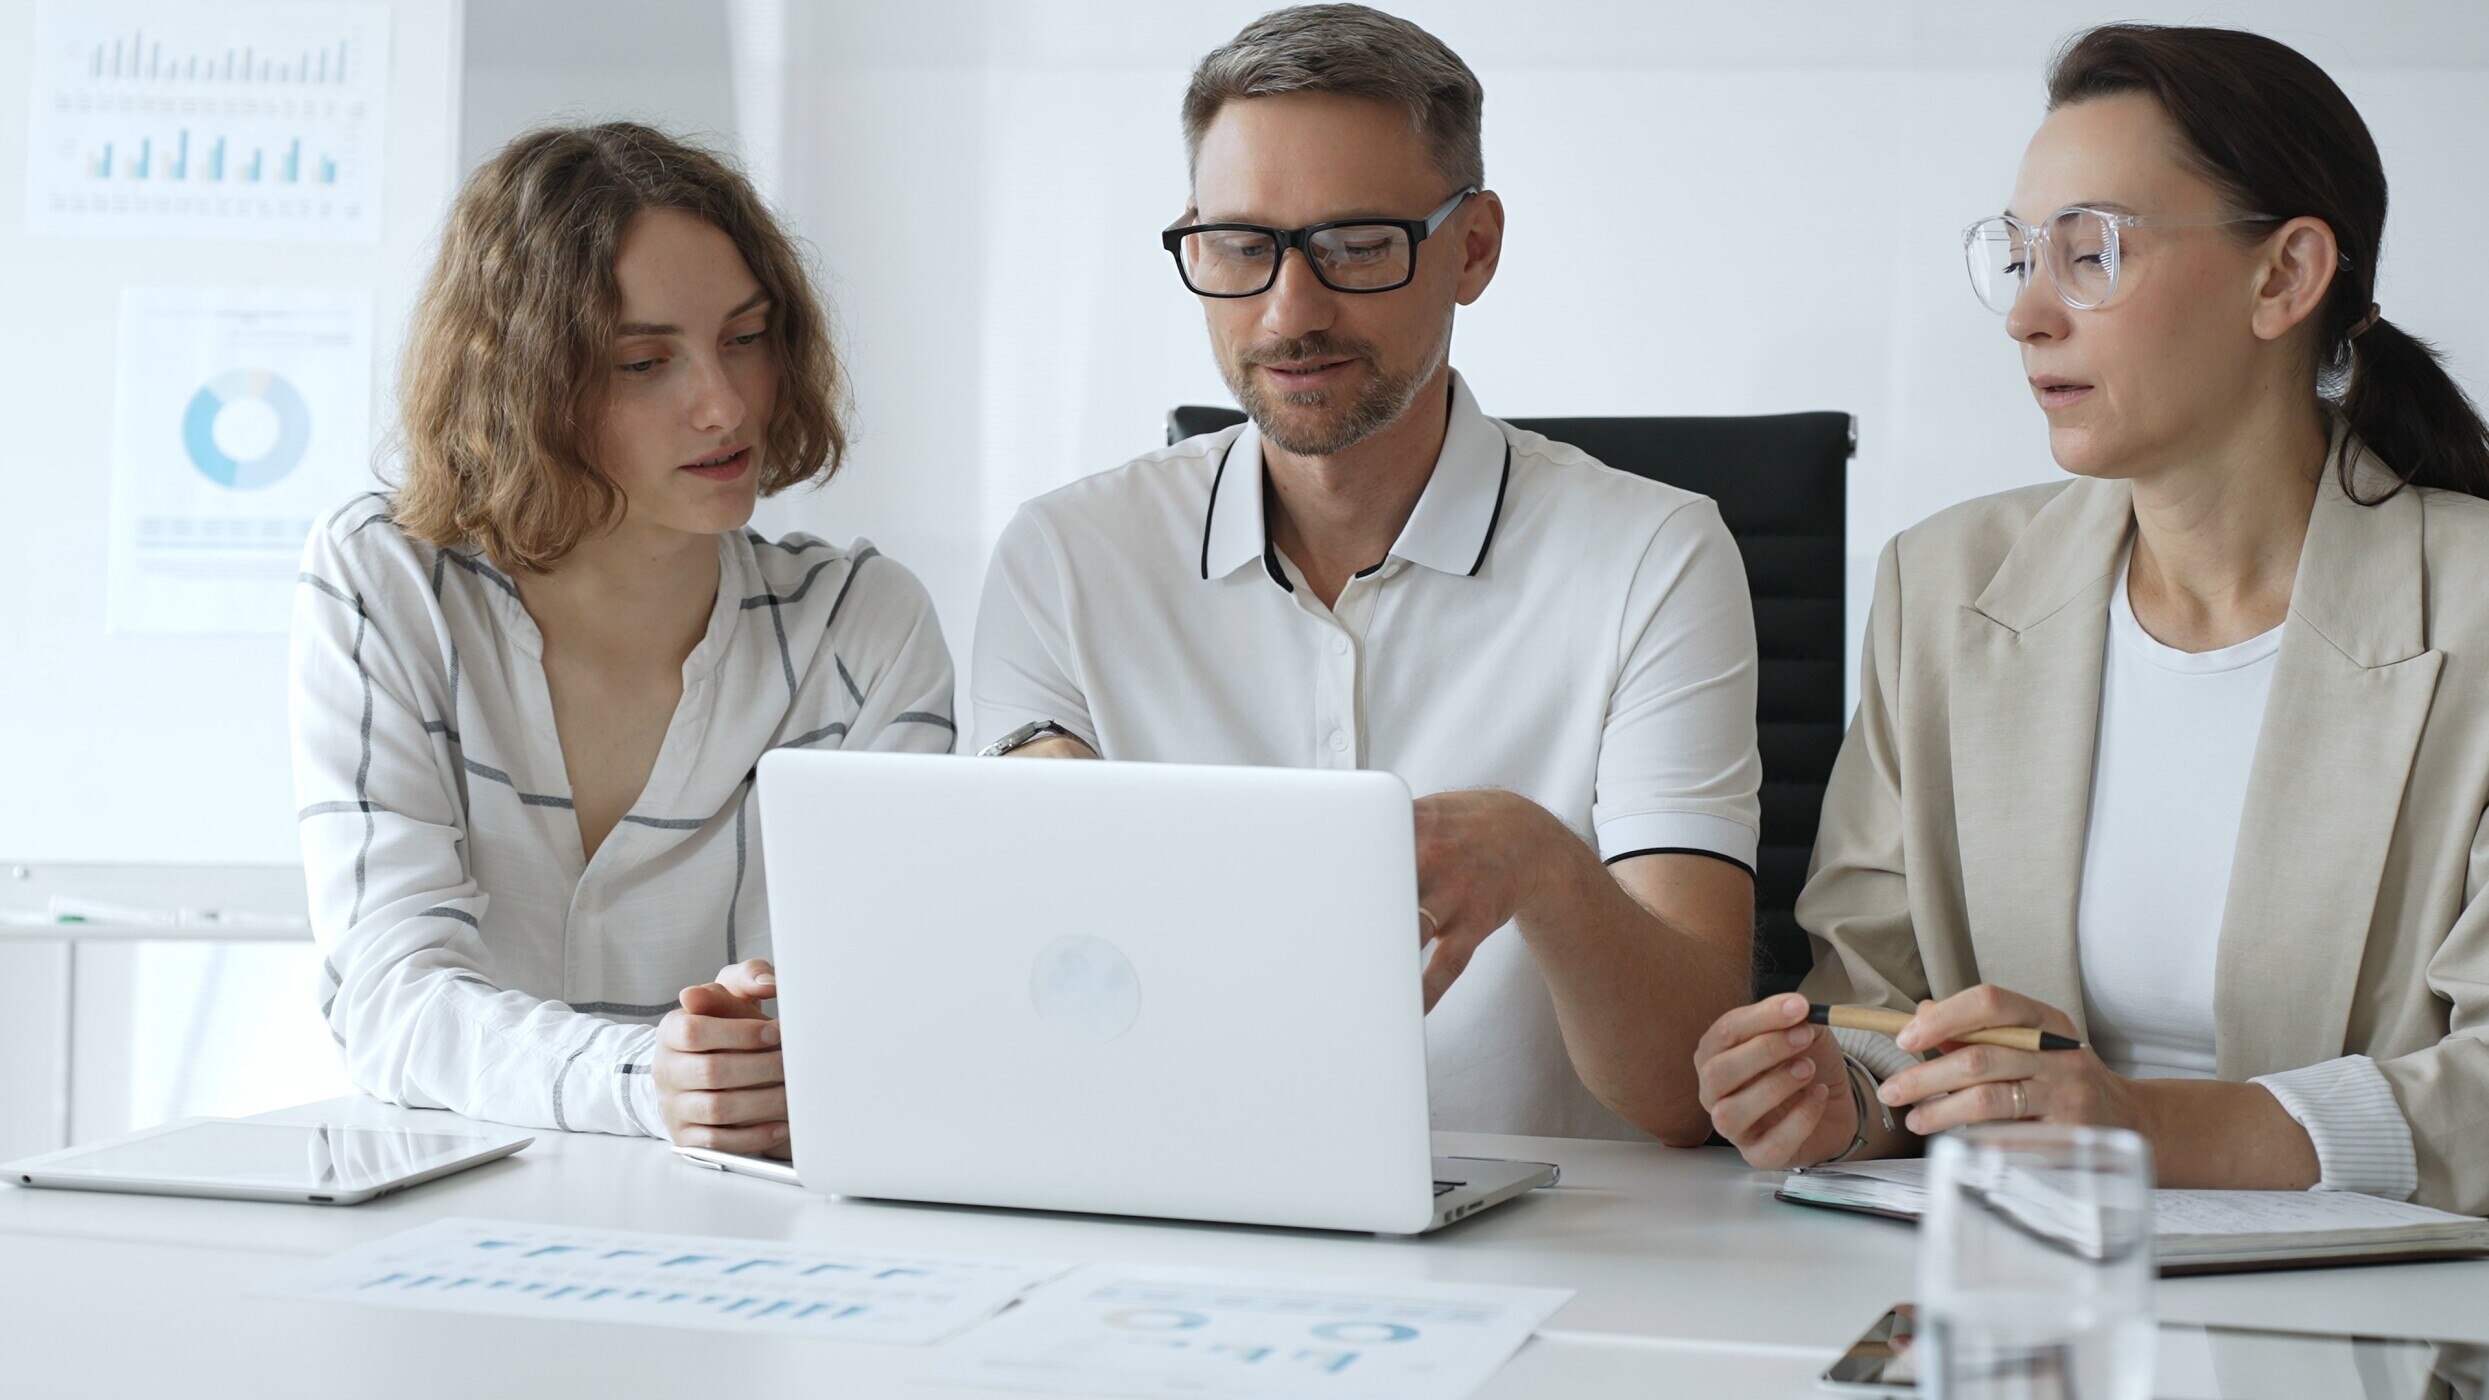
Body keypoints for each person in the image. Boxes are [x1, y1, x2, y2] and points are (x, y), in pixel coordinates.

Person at [1695, 24, 2489, 1213]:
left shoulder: (2467, 609)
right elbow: (1867, 991)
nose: (2025, 315)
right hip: (2015, 1285)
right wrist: (1838, 1098)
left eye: (2090, 253)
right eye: (2015, 257)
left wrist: (2137, 1123)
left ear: (2283, 276)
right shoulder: (1945, 586)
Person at [972, 4, 1763, 1145]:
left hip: (1562, 1248)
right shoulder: (1062, 559)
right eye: (1242, 247)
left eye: (1353, 245)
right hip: (1170, 1212)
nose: (1289, 315)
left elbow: (1692, 1091)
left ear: (1472, 247)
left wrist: (1541, 866)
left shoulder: (1654, 557)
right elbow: (1014, 1002)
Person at [290, 123, 956, 1156]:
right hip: (448, 1216)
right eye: (643, 361)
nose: (723, 403)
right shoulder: (388, 575)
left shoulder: (860, 625)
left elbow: (885, 1007)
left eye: (747, 337)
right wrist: (647, 1077)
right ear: (520, 383)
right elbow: (388, 994)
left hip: (760, 1235)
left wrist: (771, 1045)